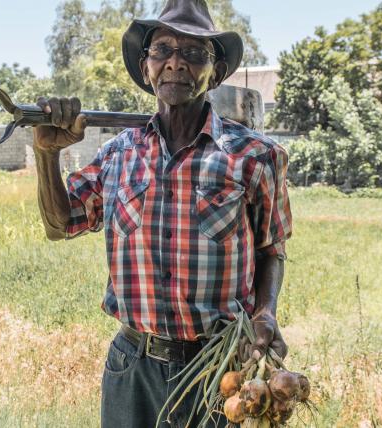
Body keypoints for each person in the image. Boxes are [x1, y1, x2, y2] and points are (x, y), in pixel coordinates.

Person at [32, 1, 292, 426]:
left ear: (217, 69)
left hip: (219, 368)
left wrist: (266, 312)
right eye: (163, 51)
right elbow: (59, 225)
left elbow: (272, 247)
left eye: (194, 53)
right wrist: (46, 154)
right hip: (133, 365)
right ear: (145, 65)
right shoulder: (118, 154)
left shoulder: (255, 156)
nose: (176, 63)